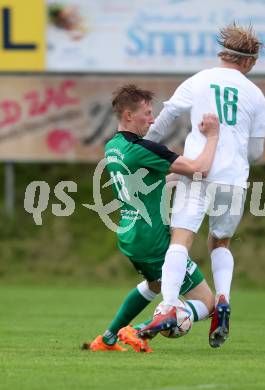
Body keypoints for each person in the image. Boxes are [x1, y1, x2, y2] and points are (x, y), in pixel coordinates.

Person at [142, 23, 265, 348]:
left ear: (222, 54)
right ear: (250, 62)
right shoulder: (255, 94)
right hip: (233, 179)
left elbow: (168, 116)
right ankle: (222, 300)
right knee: (220, 243)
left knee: (180, 239)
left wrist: (143, 145)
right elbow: (255, 152)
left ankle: (168, 305)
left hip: (198, 171)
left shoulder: (199, 80)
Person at [83, 84, 219, 352]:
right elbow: (200, 169)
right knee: (207, 303)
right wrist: (213, 136)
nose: (153, 119)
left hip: (130, 234)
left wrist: (176, 176)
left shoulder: (114, 147)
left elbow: (148, 181)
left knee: (155, 284)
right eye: (147, 113)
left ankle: (108, 338)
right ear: (128, 115)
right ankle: (138, 330)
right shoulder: (144, 149)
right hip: (152, 240)